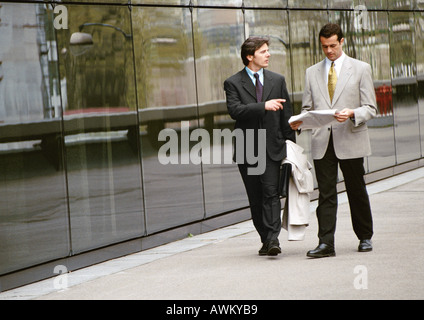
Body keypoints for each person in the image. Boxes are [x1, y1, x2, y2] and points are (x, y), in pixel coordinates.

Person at [290, 23, 377, 258]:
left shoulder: (361, 69)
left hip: (350, 138)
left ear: (342, 42)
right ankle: (326, 243)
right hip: (322, 142)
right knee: (326, 194)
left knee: (356, 190)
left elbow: (370, 108)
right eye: (324, 47)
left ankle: (365, 236)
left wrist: (351, 113)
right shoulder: (311, 72)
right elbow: (307, 108)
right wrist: (300, 122)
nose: (328, 51)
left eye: (332, 46)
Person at [224, 36, 295, 256]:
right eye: (263, 51)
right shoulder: (233, 83)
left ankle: (274, 239)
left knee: (271, 193)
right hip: (248, 148)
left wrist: (291, 146)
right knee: (255, 198)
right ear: (249, 56)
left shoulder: (277, 80)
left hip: (273, 148)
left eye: (267, 50)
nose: (268, 54)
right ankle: (265, 238)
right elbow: (236, 111)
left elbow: (287, 117)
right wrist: (263, 105)